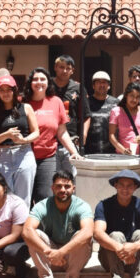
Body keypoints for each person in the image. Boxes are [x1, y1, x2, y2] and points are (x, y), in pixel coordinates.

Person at [23, 170, 93, 278]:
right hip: (52, 255)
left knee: (82, 236)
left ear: (73, 188)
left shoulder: (82, 206)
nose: (63, 190)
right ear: (52, 188)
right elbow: (27, 230)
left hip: (74, 257)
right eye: (58, 186)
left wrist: (61, 252)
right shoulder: (43, 205)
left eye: (67, 186)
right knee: (34, 234)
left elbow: (88, 232)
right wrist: (48, 251)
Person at [23, 68, 82, 203]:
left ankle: (43, 225)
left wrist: (74, 151)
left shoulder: (56, 102)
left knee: (45, 197)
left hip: (47, 157)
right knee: (24, 199)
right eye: (35, 79)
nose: (39, 82)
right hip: (24, 156)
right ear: (30, 83)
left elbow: (62, 132)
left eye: (43, 79)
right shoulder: (22, 102)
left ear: (48, 82)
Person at [0, 75, 39, 207]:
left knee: (23, 199)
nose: (6, 93)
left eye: (9, 89)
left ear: (15, 90)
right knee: (4, 197)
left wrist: (23, 140)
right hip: (2, 155)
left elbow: (36, 132)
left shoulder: (26, 108)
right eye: (2, 90)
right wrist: (7, 135)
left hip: (24, 154)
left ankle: (21, 227)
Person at [52, 55, 82, 174]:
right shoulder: (47, 86)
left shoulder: (78, 87)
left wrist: (82, 137)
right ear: (55, 68)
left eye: (68, 68)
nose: (64, 71)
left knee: (71, 179)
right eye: (61, 67)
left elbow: (85, 115)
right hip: (51, 143)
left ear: (72, 70)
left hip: (71, 141)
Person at [83, 71, 119, 154]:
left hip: (112, 152)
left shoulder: (116, 103)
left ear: (109, 86)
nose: (102, 85)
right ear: (93, 86)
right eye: (98, 82)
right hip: (89, 152)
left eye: (104, 82)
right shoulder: (86, 103)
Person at [109, 83, 140, 155]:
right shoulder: (116, 111)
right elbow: (111, 135)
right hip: (122, 156)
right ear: (126, 95)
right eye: (132, 96)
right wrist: (124, 150)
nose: (134, 99)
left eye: (137, 97)